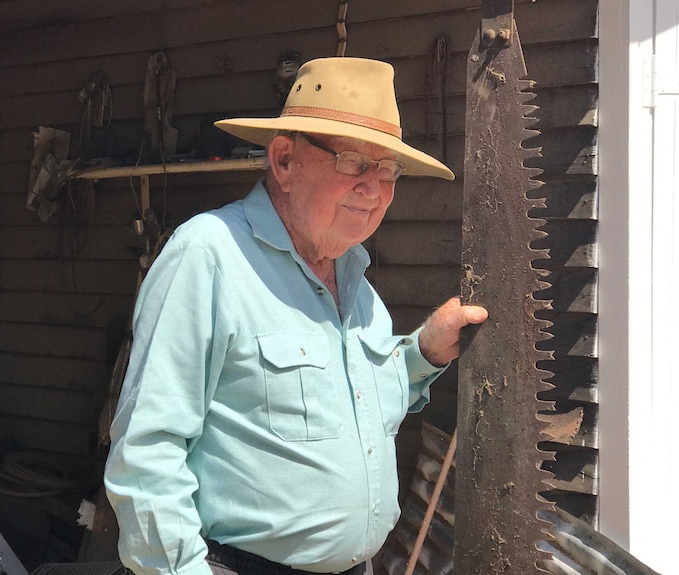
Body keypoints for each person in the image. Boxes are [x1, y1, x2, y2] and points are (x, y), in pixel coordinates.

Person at [104, 57, 488, 575]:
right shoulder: (210, 255)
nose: (373, 188)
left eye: (388, 169)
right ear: (284, 161)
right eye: (354, 161)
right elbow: (147, 452)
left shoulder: (355, 280)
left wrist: (423, 351)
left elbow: (360, 404)